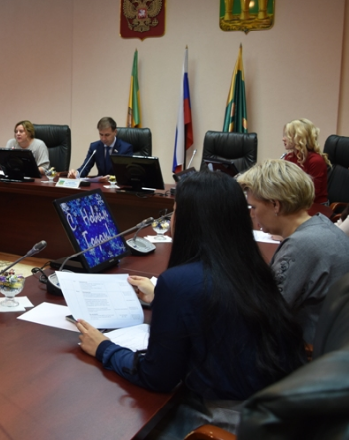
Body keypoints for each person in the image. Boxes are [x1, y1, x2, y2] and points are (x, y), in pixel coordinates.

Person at [76, 171, 305, 437]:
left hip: (223, 422)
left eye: (174, 211)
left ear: (189, 221)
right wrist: (162, 299)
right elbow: (215, 311)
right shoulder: (251, 268)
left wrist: (104, 348)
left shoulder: (180, 282)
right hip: (275, 414)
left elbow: (157, 377)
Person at [237, 159, 349, 343]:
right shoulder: (322, 224)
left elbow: (266, 312)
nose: (252, 214)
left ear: (275, 205)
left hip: (306, 349)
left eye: (254, 207)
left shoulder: (300, 246)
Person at [68, 117, 133, 182]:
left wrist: (111, 178)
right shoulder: (94, 147)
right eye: (101, 134)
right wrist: (76, 174)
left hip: (118, 185)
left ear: (115, 132)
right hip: (100, 184)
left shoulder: (125, 148)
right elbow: (85, 168)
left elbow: (127, 174)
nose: (103, 138)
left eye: (107, 135)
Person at [282, 118, 330, 205]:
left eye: (287, 135)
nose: (283, 139)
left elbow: (312, 194)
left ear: (299, 138)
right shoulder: (289, 157)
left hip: (315, 205)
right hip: (295, 201)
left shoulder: (315, 161)